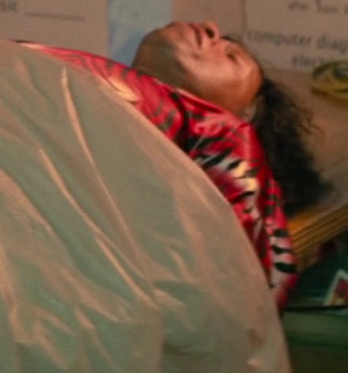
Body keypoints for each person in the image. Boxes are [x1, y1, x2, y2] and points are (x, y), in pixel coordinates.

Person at [19, 21, 325, 303]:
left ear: (244, 115)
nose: (210, 27)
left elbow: (248, 283)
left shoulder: (227, 136)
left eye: (232, 57)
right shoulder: (92, 82)